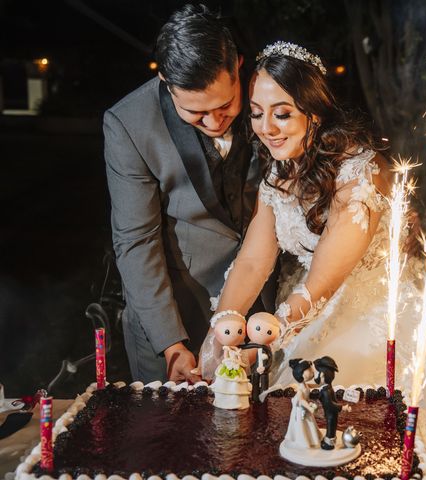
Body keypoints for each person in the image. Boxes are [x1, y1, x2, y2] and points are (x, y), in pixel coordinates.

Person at [198, 41, 426, 407]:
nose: (266, 129)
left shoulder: (360, 169)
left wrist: (265, 341)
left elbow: (323, 281)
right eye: (256, 113)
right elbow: (252, 260)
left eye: (282, 114)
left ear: (314, 112)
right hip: (305, 304)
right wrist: (220, 331)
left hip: (379, 313)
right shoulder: (279, 170)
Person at [103, 4, 275, 384]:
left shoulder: (271, 96)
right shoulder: (128, 124)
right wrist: (171, 344)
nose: (214, 122)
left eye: (226, 106)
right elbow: (135, 241)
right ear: (166, 81)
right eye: (196, 113)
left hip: (269, 309)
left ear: (239, 66)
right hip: (178, 309)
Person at [283, 358, 322, 449]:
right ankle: (303, 441)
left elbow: (317, 385)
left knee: (310, 424)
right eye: (309, 370)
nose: (312, 372)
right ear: (301, 374)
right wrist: (309, 407)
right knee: (303, 426)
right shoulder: (300, 389)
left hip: (306, 408)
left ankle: (312, 439)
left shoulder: (306, 385)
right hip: (301, 410)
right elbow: (301, 400)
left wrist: (321, 380)